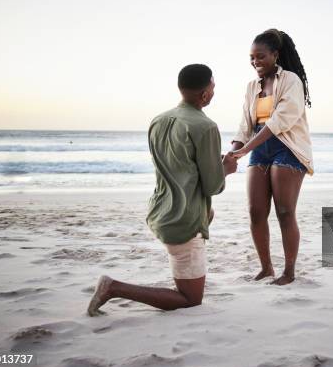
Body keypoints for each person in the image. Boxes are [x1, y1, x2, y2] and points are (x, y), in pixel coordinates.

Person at [87, 64, 237, 316]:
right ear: (204, 94)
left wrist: (210, 164)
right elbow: (212, 186)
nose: (214, 91)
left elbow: (177, 166)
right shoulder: (205, 126)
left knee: (204, 223)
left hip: (161, 210)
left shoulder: (158, 120)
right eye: (213, 86)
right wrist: (226, 169)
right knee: (190, 299)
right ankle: (112, 288)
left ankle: (185, 269)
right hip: (183, 220)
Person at [229, 29, 313, 285]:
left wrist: (247, 148)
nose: (256, 62)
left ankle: (289, 272)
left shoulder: (291, 80)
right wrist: (233, 152)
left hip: (286, 146)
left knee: (285, 211)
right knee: (256, 211)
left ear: (275, 55)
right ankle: (266, 268)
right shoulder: (251, 86)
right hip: (260, 146)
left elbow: (280, 121)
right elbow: (245, 124)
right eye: (252, 58)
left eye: (261, 56)